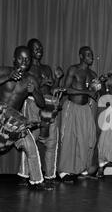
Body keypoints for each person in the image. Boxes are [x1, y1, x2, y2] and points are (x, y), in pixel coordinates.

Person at [0, 46, 51, 190]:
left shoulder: (31, 80)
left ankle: (37, 181)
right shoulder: (4, 71)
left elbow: (41, 103)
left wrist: (34, 92)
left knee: (31, 146)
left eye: (27, 59)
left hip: (14, 121)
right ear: (14, 59)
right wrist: (7, 77)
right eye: (21, 58)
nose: (24, 61)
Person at [18, 39, 64, 182]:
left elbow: (50, 89)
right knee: (30, 140)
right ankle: (25, 175)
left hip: (48, 104)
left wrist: (57, 79)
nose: (39, 50)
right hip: (33, 105)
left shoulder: (46, 68)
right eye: (36, 48)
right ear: (30, 51)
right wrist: (41, 82)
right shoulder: (27, 68)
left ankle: (50, 175)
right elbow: (26, 87)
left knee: (51, 141)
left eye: (41, 48)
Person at [58, 46, 98, 181]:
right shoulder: (73, 69)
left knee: (86, 138)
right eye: (87, 54)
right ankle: (64, 171)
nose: (90, 56)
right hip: (72, 107)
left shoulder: (93, 74)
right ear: (81, 56)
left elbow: (96, 92)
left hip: (85, 109)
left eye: (91, 54)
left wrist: (97, 88)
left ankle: (81, 169)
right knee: (70, 138)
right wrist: (87, 92)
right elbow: (66, 89)